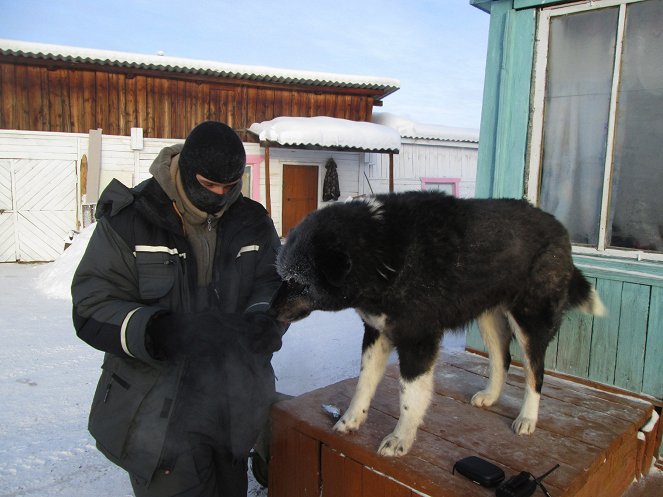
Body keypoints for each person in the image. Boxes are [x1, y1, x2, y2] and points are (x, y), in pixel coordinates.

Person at [71, 121, 286, 497]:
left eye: (230, 186)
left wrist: (264, 317)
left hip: (233, 402)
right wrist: (156, 330)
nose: (220, 195)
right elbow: (92, 304)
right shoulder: (131, 219)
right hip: (158, 409)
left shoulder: (252, 221)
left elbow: (272, 280)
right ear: (185, 170)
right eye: (208, 186)